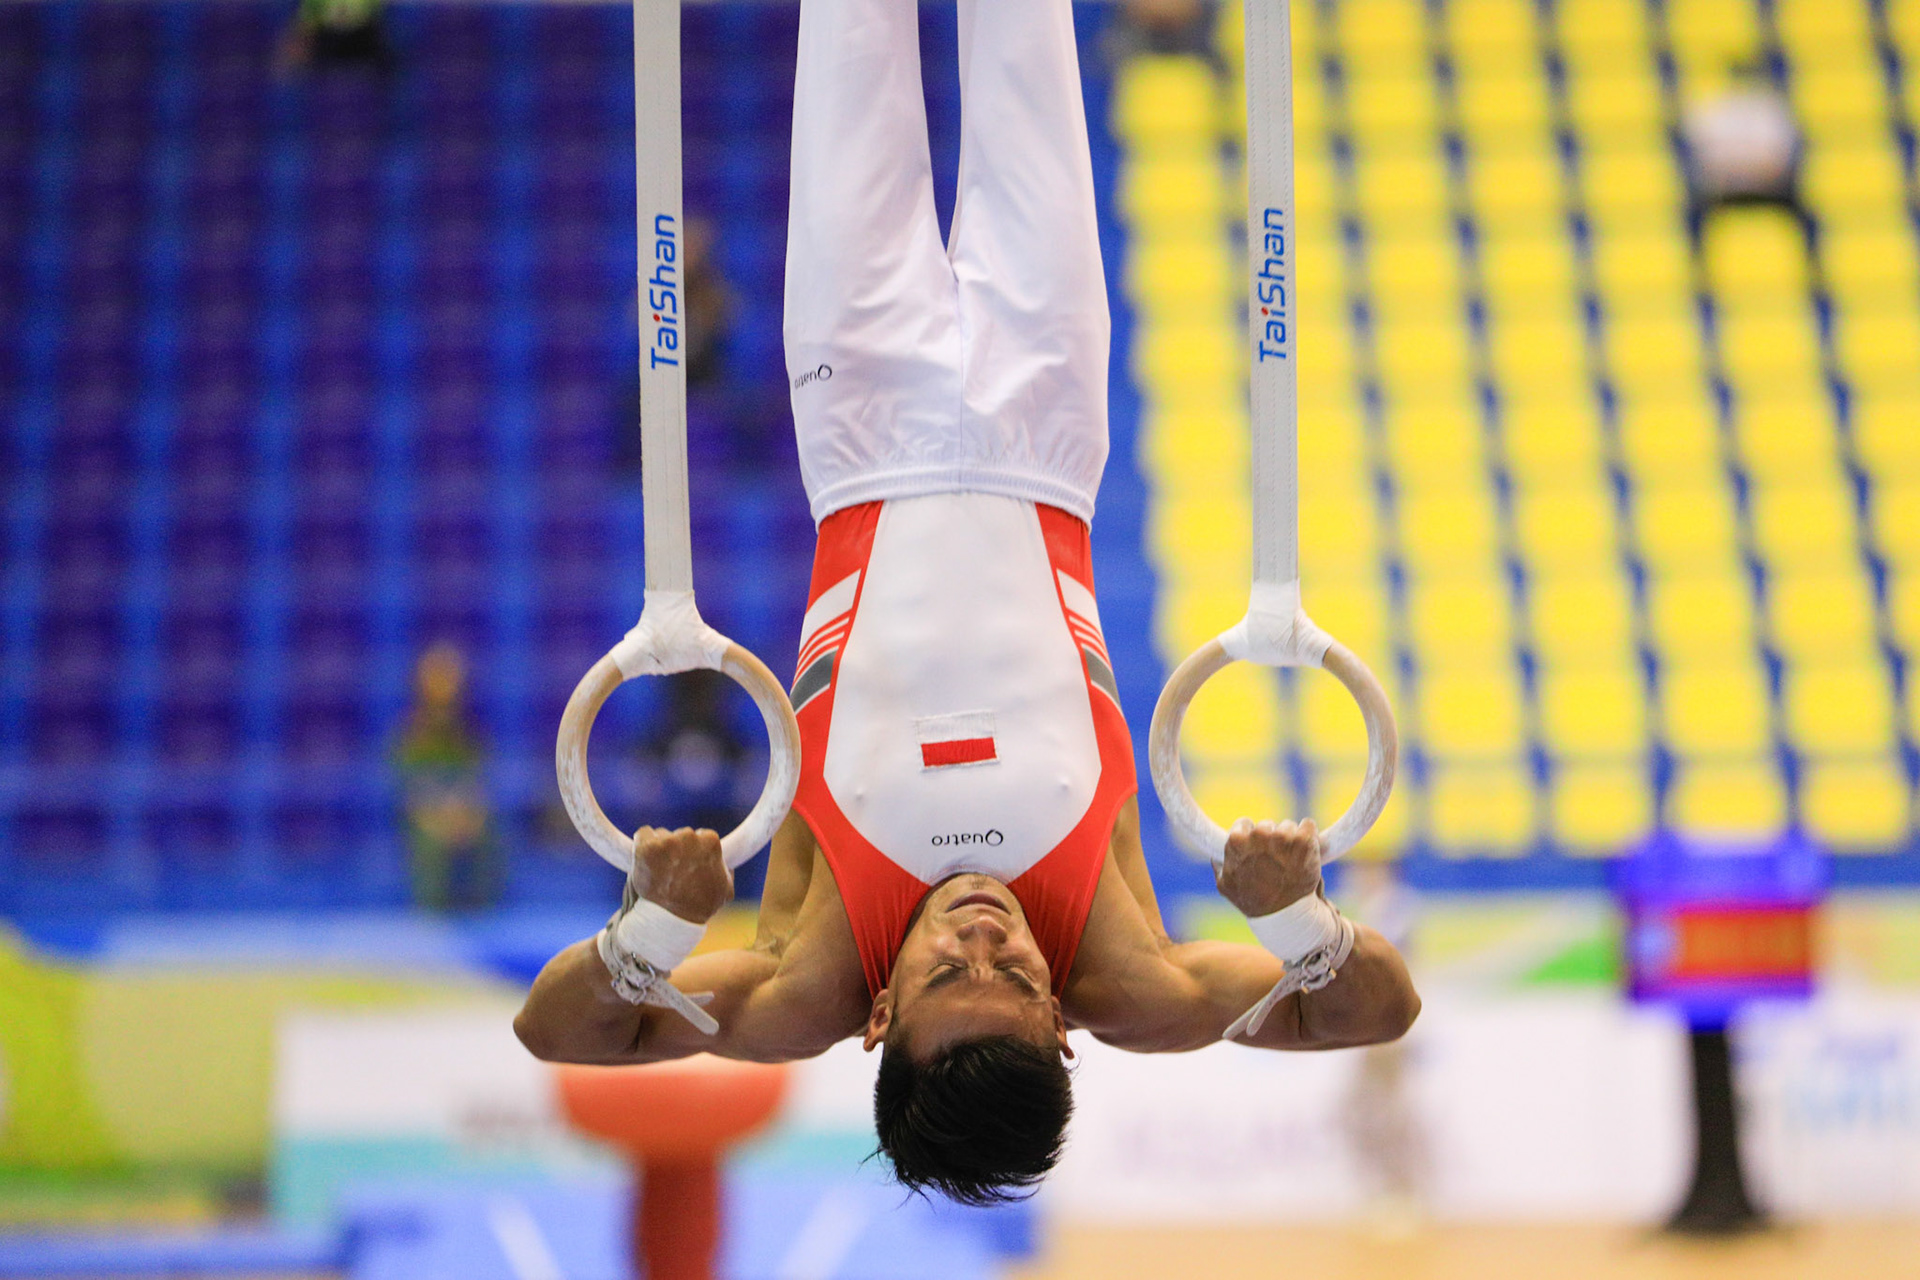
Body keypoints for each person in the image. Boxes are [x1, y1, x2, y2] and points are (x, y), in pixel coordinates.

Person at [516, 0, 1419, 1206]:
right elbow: (1377, 1009)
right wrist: (1303, 917)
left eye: (950, 969)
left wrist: (654, 939)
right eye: (1016, 968)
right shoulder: (1128, 977)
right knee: (1023, 31)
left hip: (862, 428)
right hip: (1047, 428)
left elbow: (560, 1032)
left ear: (880, 1013)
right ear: (1061, 1020)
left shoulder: (807, 980)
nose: (987, 930)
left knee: (851, 35)